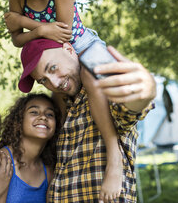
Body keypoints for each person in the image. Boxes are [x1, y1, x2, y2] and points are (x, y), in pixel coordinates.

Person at [0, 0, 125, 199]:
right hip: (53, 57)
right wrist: (42, 29)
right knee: (59, 111)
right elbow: (16, 40)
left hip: (81, 45)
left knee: (90, 77)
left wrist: (23, 21)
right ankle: (58, 169)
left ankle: (114, 155)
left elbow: (63, 33)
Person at [18, 38, 156, 203]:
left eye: (53, 68)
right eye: (43, 80)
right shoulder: (59, 109)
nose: (54, 83)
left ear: (69, 50)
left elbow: (130, 108)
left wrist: (146, 90)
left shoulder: (102, 91)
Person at [0, 93, 62, 203]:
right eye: (34, 112)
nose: (43, 117)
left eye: (50, 114)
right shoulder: (1, 160)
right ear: (19, 121)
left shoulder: (48, 170)